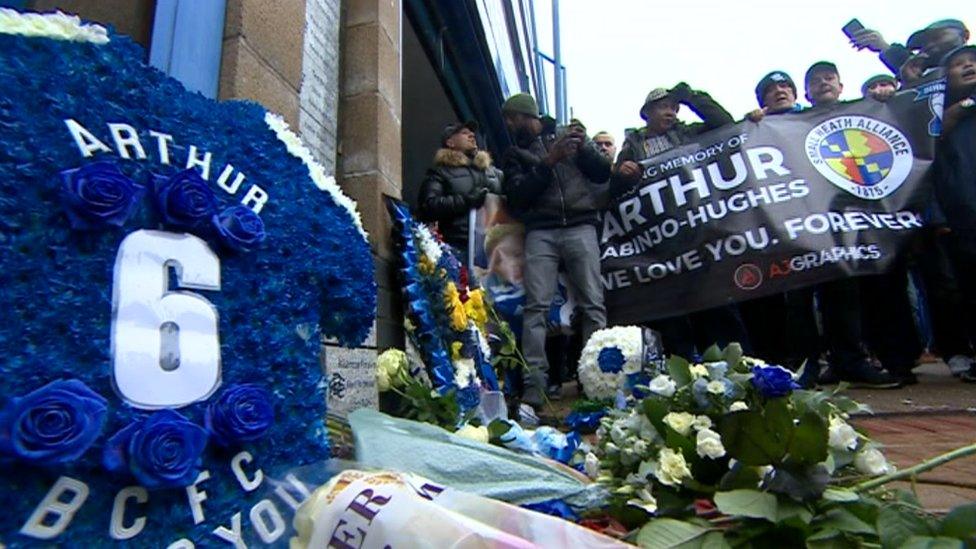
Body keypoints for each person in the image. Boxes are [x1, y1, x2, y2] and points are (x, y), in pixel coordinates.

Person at [612, 83, 751, 359]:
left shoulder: (689, 133)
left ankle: (733, 364)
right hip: (662, 241)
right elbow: (617, 194)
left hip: (700, 231)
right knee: (674, 308)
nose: (671, 112)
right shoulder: (633, 146)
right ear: (647, 112)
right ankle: (684, 369)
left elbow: (725, 124)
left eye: (675, 107)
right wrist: (621, 174)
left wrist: (691, 97)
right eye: (664, 107)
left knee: (717, 302)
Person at [802, 61, 918, 387]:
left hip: (872, 215)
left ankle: (895, 361)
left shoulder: (868, 111)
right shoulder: (793, 122)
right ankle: (846, 360)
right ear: (807, 92)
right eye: (815, 81)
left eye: (829, 78)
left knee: (883, 290)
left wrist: (889, 98)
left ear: (841, 85)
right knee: (837, 292)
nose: (823, 84)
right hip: (825, 222)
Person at [499, 93, 610, 409]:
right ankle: (535, 384)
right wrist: (549, 161)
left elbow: (601, 172)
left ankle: (596, 379)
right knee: (536, 308)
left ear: (526, 116)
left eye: (511, 118)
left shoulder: (565, 134)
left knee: (593, 304)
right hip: (541, 231)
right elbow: (518, 197)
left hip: (580, 225)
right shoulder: (514, 154)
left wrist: (585, 143)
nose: (508, 125)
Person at [931, 45, 976, 382]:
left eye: (973, 62)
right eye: (958, 63)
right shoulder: (933, 117)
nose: (968, 67)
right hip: (960, 215)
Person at [417, 121, 502, 264]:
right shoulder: (440, 172)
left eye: (472, 133)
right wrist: (466, 201)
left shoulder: (494, 173)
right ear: (450, 142)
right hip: (458, 249)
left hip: (494, 251)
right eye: (464, 133)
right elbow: (428, 205)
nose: (471, 135)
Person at [850, 19, 969, 75]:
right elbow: (910, 66)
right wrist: (883, 46)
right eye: (923, 43)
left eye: (937, 36)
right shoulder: (923, 76)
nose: (930, 44)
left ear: (964, 35)